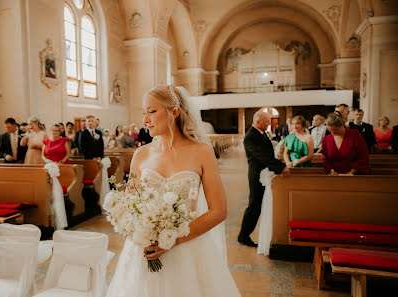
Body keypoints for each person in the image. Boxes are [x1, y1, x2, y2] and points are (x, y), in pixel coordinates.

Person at [106, 85, 241, 297]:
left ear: (174, 112)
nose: (145, 120)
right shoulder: (141, 155)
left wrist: (172, 240)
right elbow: (130, 206)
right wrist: (139, 229)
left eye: (152, 111)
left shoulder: (202, 151)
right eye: (144, 113)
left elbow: (219, 210)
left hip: (188, 251)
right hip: (145, 251)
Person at [237, 110, 289, 247]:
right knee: (254, 205)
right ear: (257, 121)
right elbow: (261, 155)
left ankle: (245, 234)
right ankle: (243, 235)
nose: (268, 123)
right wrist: (280, 167)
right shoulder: (250, 136)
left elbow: (268, 154)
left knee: (259, 204)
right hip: (256, 174)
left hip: (264, 172)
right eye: (266, 121)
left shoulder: (261, 132)